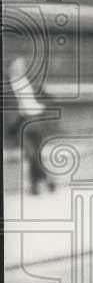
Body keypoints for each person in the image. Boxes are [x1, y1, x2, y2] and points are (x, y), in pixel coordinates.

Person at [5, 56, 56, 195]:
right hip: (22, 121)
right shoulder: (8, 85)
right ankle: (46, 179)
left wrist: (43, 106)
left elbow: (45, 96)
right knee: (31, 153)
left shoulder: (30, 81)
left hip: (37, 119)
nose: (20, 68)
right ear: (10, 68)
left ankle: (35, 186)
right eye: (17, 65)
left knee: (36, 153)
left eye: (22, 66)